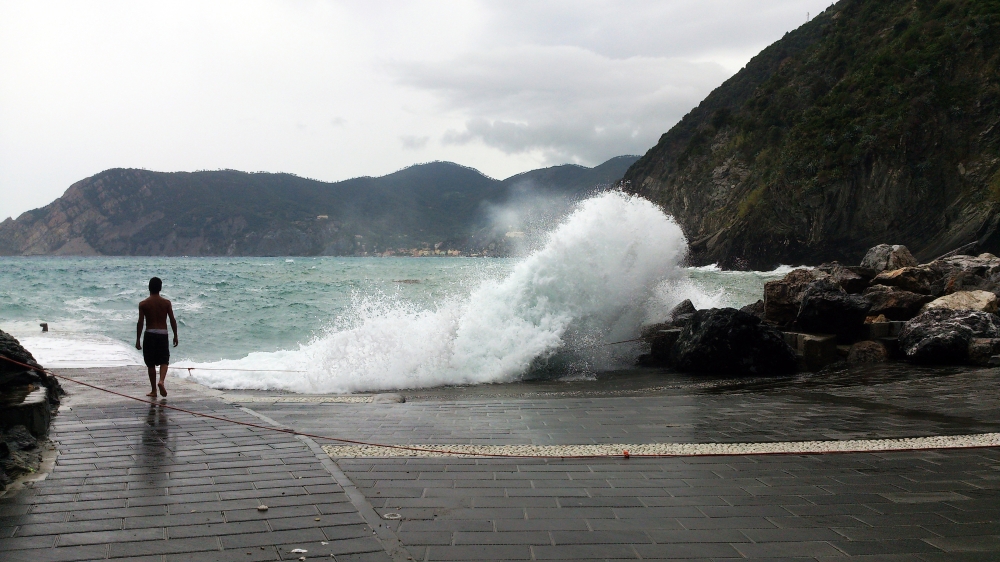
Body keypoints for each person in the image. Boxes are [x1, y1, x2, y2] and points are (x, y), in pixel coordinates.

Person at [135, 277, 178, 398]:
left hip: (150, 333)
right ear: (160, 288)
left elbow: (140, 322)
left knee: (151, 363)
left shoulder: (143, 304)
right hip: (163, 333)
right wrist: (175, 335)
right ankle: (162, 381)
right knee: (164, 360)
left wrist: (138, 339)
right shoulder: (166, 303)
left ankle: (154, 390)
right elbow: (172, 320)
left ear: (149, 288)